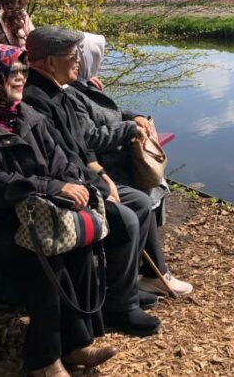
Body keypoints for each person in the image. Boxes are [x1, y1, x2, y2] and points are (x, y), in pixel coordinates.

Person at [0, 44, 117, 376]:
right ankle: (44, 360)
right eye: (11, 71)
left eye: (23, 70)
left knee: (79, 247)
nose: (21, 77)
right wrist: (52, 188)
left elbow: (62, 162)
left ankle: (76, 344)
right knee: (47, 265)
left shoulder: (25, 113)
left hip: (37, 214)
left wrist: (76, 185)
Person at [22, 26, 161, 336]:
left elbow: (81, 144)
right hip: (63, 189)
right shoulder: (36, 98)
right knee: (126, 218)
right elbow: (59, 157)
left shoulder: (59, 90)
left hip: (86, 178)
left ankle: (122, 288)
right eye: (72, 56)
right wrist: (98, 186)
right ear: (49, 61)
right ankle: (121, 308)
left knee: (140, 203)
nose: (78, 61)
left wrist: (102, 174)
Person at [69, 33, 192, 296]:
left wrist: (134, 117)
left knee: (152, 188)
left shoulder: (84, 85)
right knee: (144, 195)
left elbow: (109, 114)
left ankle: (150, 270)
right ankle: (150, 274)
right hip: (100, 168)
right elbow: (90, 138)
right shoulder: (72, 93)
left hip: (109, 161)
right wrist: (128, 128)